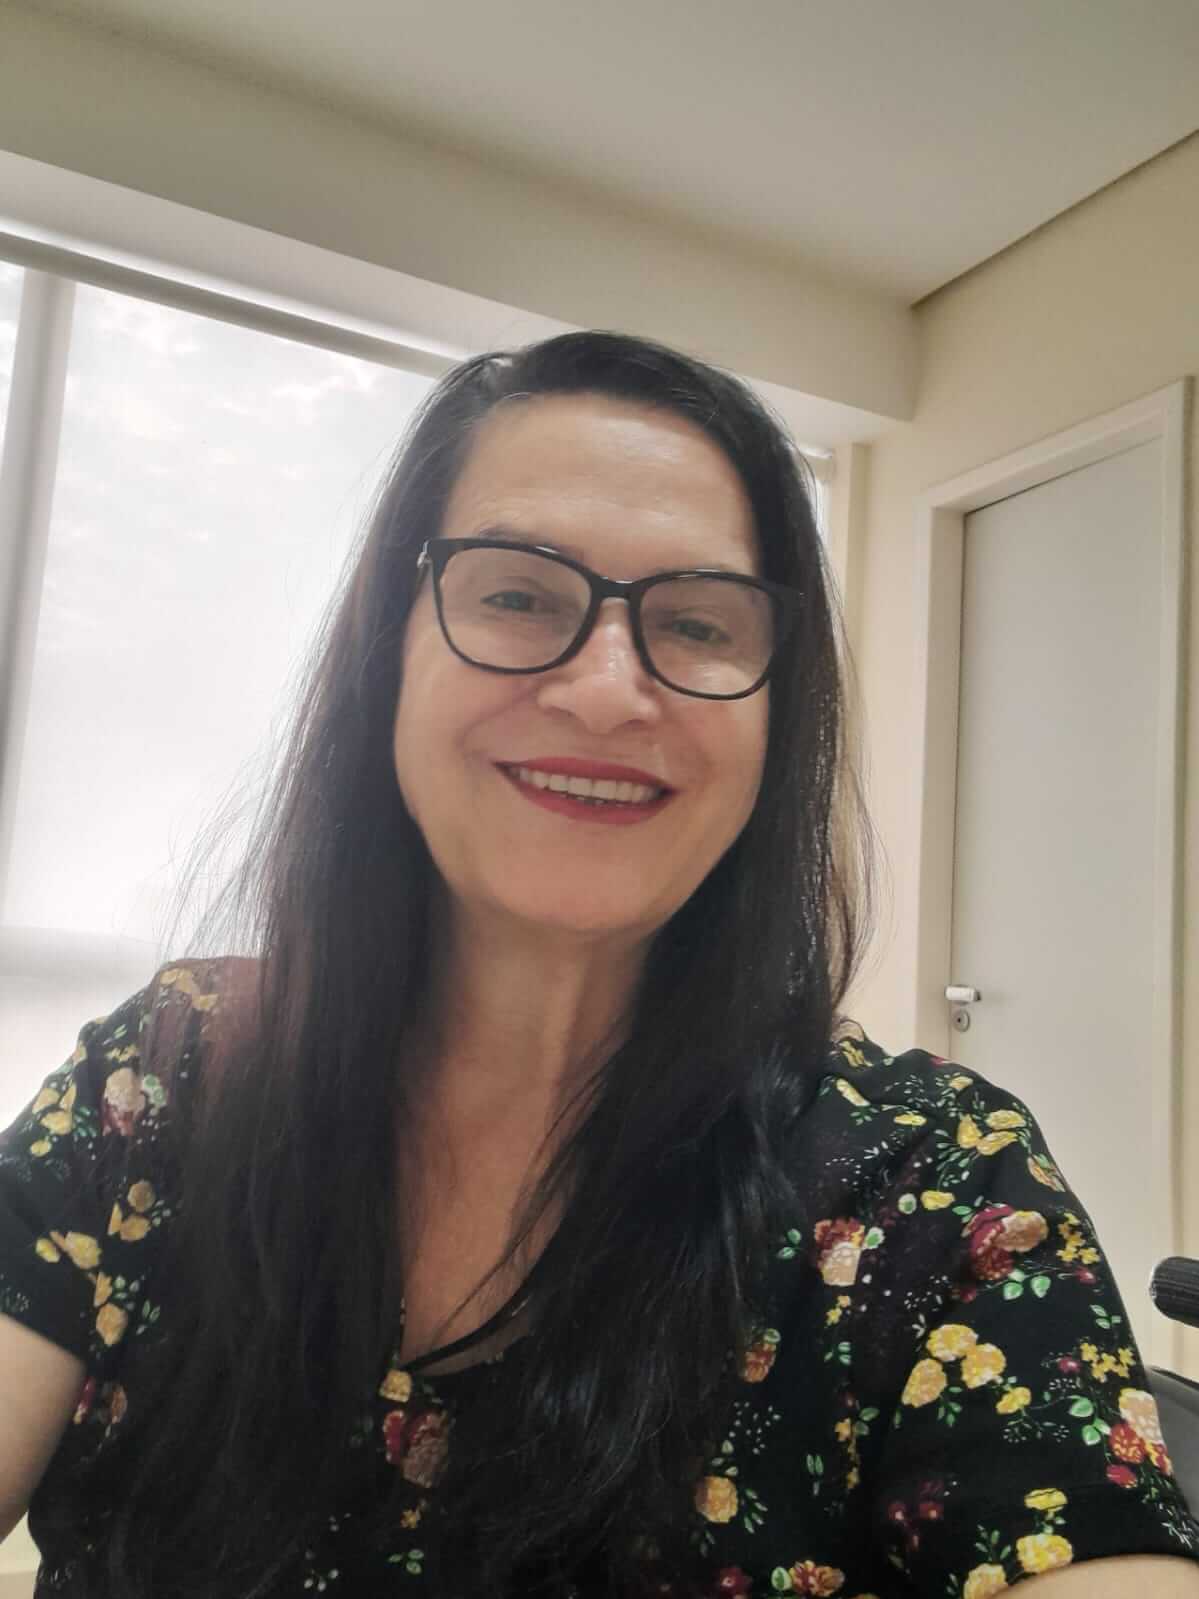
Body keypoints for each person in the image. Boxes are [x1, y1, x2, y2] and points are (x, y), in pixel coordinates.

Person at [1, 331, 1197, 1599]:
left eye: (696, 622)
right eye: (517, 596)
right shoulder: (163, 1079)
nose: (607, 691)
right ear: (386, 650)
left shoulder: (938, 1188)